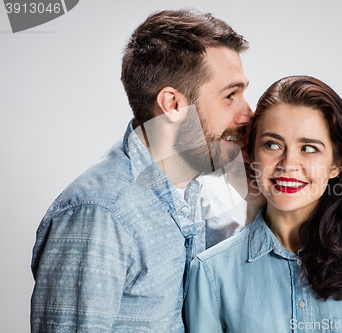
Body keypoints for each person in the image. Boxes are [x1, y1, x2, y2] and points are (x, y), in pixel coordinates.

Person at [30, 9, 252, 332]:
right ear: (173, 105)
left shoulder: (191, 189)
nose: (249, 112)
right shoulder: (99, 215)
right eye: (230, 95)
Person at [185, 76, 342, 332]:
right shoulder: (210, 273)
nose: (288, 165)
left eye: (308, 148)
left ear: (336, 164)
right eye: (272, 145)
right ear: (250, 154)